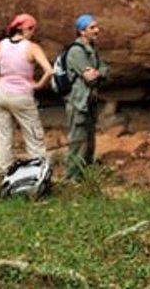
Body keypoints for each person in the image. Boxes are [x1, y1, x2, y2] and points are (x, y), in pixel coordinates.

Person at [0, 13, 54, 175]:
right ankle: (38, 172)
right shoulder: (32, 47)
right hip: (22, 96)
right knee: (33, 135)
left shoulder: (1, 45)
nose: (33, 32)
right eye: (32, 29)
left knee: (4, 136)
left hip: (2, 95)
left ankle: (4, 170)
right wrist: (38, 84)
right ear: (26, 28)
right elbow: (49, 71)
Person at [65, 14, 110, 181]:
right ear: (82, 31)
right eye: (92, 27)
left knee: (89, 141)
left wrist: (98, 73)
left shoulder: (92, 50)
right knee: (77, 141)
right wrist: (98, 73)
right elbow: (90, 78)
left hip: (89, 102)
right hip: (78, 103)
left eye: (96, 27)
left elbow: (106, 70)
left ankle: (86, 177)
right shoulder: (76, 51)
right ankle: (72, 179)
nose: (97, 30)